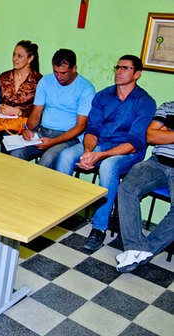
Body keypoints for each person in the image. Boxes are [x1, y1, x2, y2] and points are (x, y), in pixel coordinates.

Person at [55, 55, 156, 251]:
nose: (119, 72)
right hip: (100, 143)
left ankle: (99, 227)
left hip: (128, 151)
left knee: (109, 166)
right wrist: (87, 151)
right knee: (66, 156)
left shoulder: (145, 102)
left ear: (137, 74)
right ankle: (58, 210)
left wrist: (99, 156)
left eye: (125, 68)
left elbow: (135, 141)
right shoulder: (103, 96)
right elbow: (92, 129)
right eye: (117, 67)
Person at [9, 49, 95, 168]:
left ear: (74, 68)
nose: (59, 76)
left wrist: (53, 142)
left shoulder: (86, 88)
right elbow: (36, 113)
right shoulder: (46, 81)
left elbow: (81, 126)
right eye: (56, 72)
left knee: (47, 160)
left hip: (68, 137)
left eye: (63, 73)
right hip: (43, 131)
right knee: (16, 152)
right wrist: (28, 129)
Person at [115, 101, 174, 272]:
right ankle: (136, 248)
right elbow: (150, 136)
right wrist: (158, 134)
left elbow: (158, 135)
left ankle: (141, 251)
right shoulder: (168, 107)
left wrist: (167, 133)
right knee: (127, 189)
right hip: (156, 163)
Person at [0, 40, 42, 150]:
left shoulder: (38, 81)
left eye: (19, 56)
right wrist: (0, 107)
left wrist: (18, 112)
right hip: (2, 122)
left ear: (30, 58)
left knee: (8, 138)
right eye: (14, 54)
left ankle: (5, 167)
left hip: (22, 126)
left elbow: (39, 111)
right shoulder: (4, 77)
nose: (15, 59)